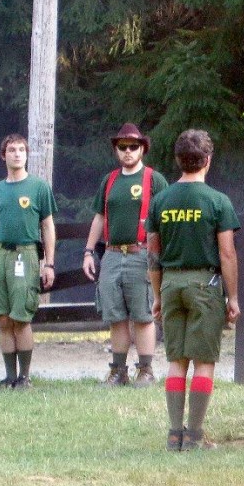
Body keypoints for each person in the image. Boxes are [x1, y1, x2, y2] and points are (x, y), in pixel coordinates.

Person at [147, 129, 240, 451]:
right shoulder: (217, 202)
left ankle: (175, 434)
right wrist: (234, 297)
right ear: (208, 160)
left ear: (177, 160)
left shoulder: (161, 200)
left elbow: (153, 254)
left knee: (177, 359)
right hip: (205, 285)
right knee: (203, 361)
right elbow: (227, 254)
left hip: (171, 284)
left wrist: (157, 295)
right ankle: (196, 436)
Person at [83, 123, 169, 387]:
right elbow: (99, 217)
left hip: (141, 253)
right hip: (110, 254)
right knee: (115, 316)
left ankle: (145, 370)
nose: (128, 151)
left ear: (142, 148)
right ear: (116, 150)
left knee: (143, 315)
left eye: (134, 146)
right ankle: (118, 370)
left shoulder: (154, 179)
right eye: (123, 147)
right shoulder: (109, 180)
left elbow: (165, 219)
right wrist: (88, 251)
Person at [0, 134, 57, 389]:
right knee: (3, 318)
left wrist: (49, 263)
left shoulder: (38, 187)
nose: (17, 154)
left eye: (21, 150)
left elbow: (47, 226)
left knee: (21, 317)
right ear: (3, 155)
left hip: (26, 254)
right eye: (11, 150)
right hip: (1, 254)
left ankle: (25, 376)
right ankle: (9, 376)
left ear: (26, 155)